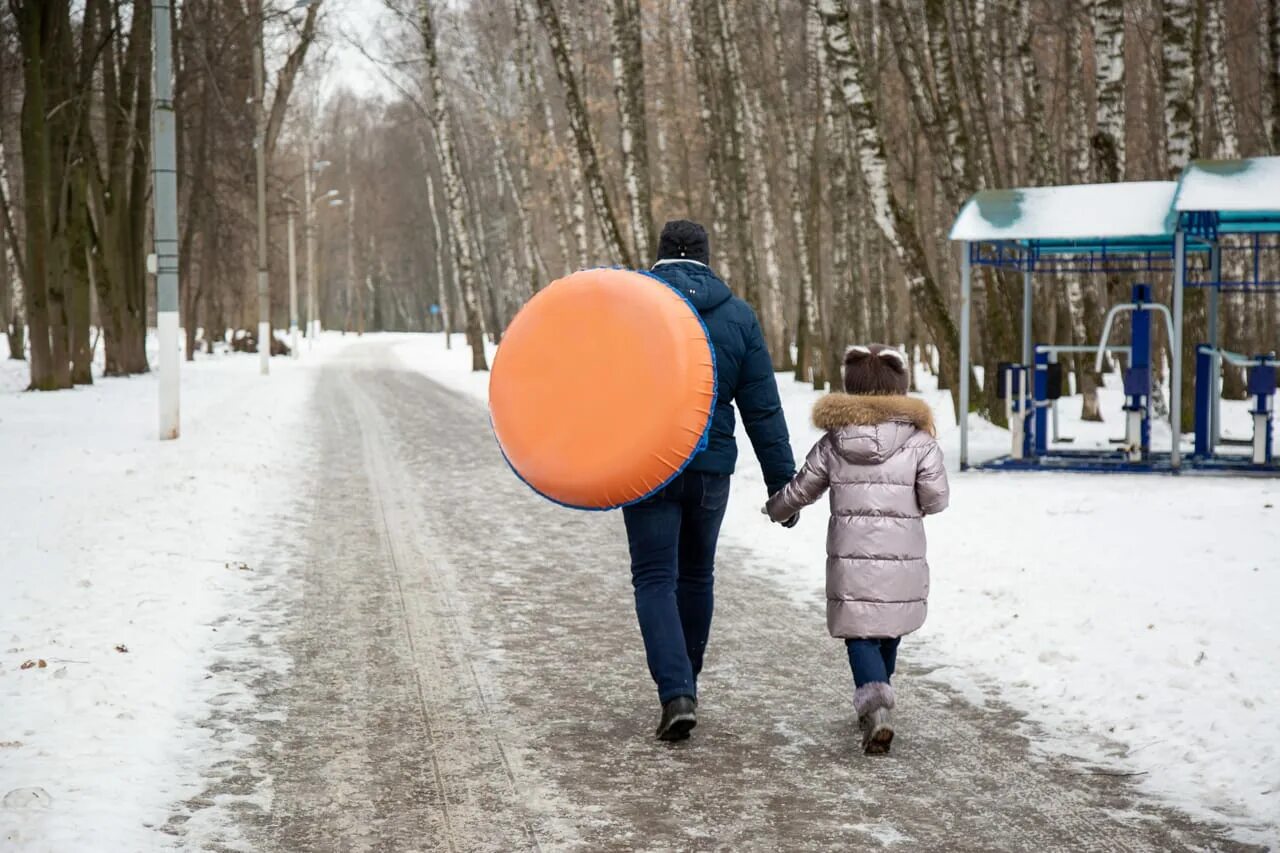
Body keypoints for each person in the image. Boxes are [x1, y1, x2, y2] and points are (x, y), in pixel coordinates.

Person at [627, 219, 797, 741]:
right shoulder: (738, 315)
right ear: (706, 256)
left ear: (657, 255)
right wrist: (782, 485)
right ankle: (688, 685)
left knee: (656, 577)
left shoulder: (630, 307)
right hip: (709, 468)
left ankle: (676, 690)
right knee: (697, 575)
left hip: (646, 464)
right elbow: (762, 408)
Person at [764, 344, 949, 754]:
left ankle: (876, 702)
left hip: (851, 562)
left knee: (860, 632)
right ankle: (878, 698)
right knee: (889, 626)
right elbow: (936, 499)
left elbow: (802, 486)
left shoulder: (835, 441)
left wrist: (776, 509)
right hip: (902, 561)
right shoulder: (920, 443)